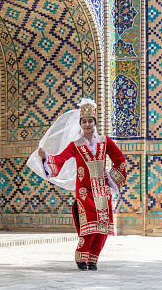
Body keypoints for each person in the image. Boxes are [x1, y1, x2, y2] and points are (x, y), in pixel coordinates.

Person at [36, 98, 126, 271]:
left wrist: (111, 178)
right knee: (90, 223)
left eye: (90, 121)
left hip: (102, 190)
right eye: (84, 121)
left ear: (94, 123)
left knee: (102, 226)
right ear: (80, 124)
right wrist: (46, 157)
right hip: (84, 191)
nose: (87, 124)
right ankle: (81, 254)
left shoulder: (104, 141)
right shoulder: (75, 145)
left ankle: (93, 259)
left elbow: (119, 159)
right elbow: (60, 159)